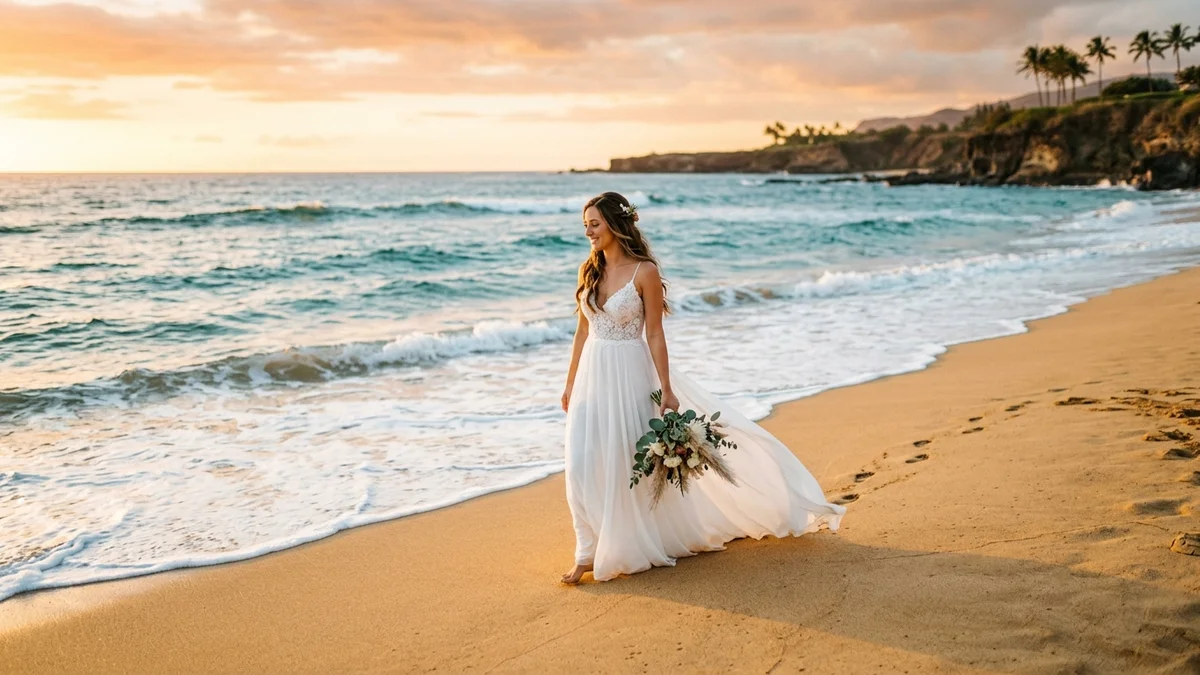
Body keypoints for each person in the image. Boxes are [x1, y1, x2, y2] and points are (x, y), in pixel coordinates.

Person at [560, 191, 846, 585]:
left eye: (594, 223)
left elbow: (656, 335)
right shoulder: (588, 271)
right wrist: (570, 382)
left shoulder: (644, 273)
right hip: (594, 374)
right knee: (581, 462)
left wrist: (666, 389)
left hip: (629, 373)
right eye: (585, 225)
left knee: (624, 461)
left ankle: (602, 550)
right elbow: (581, 330)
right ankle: (586, 546)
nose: (589, 232)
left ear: (615, 223)